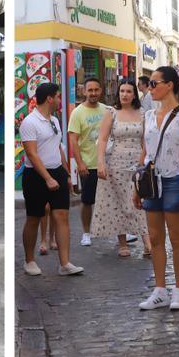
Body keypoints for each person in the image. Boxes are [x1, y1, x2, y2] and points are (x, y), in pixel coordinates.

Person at [134, 66, 179, 310]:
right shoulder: (148, 116)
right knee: (156, 237)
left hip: (174, 178)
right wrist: (136, 187)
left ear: (169, 85)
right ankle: (160, 289)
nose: (150, 88)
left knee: (176, 238)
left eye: (153, 83)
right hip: (151, 181)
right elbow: (145, 151)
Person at [20, 82, 85, 276]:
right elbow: (31, 154)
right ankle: (29, 260)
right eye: (57, 96)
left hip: (56, 171)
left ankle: (64, 263)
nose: (59, 100)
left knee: (62, 216)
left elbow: (58, 148)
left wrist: (65, 173)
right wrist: (47, 178)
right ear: (49, 98)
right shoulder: (29, 122)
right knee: (33, 218)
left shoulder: (54, 120)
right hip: (36, 176)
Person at [92, 79, 150, 257]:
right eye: (122, 91)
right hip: (115, 162)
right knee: (118, 203)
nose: (124, 94)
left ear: (135, 94)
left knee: (138, 202)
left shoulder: (143, 114)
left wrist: (143, 161)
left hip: (137, 163)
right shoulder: (112, 113)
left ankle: (147, 242)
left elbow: (145, 141)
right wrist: (100, 163)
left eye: (128, 91)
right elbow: (102, 139)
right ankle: (122, 242)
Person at [67, 78, 107, 247]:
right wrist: (80, 163)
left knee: (112, 198)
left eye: (96, 90)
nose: (93, 93)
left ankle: (121, 231)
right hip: (88, 164)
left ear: (101, 91)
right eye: (90, 90)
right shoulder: (78, 113)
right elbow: (73, 140)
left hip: (105, 163)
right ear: (84, 91)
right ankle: (86, 232)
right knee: (87, 200)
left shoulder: (107, 110)